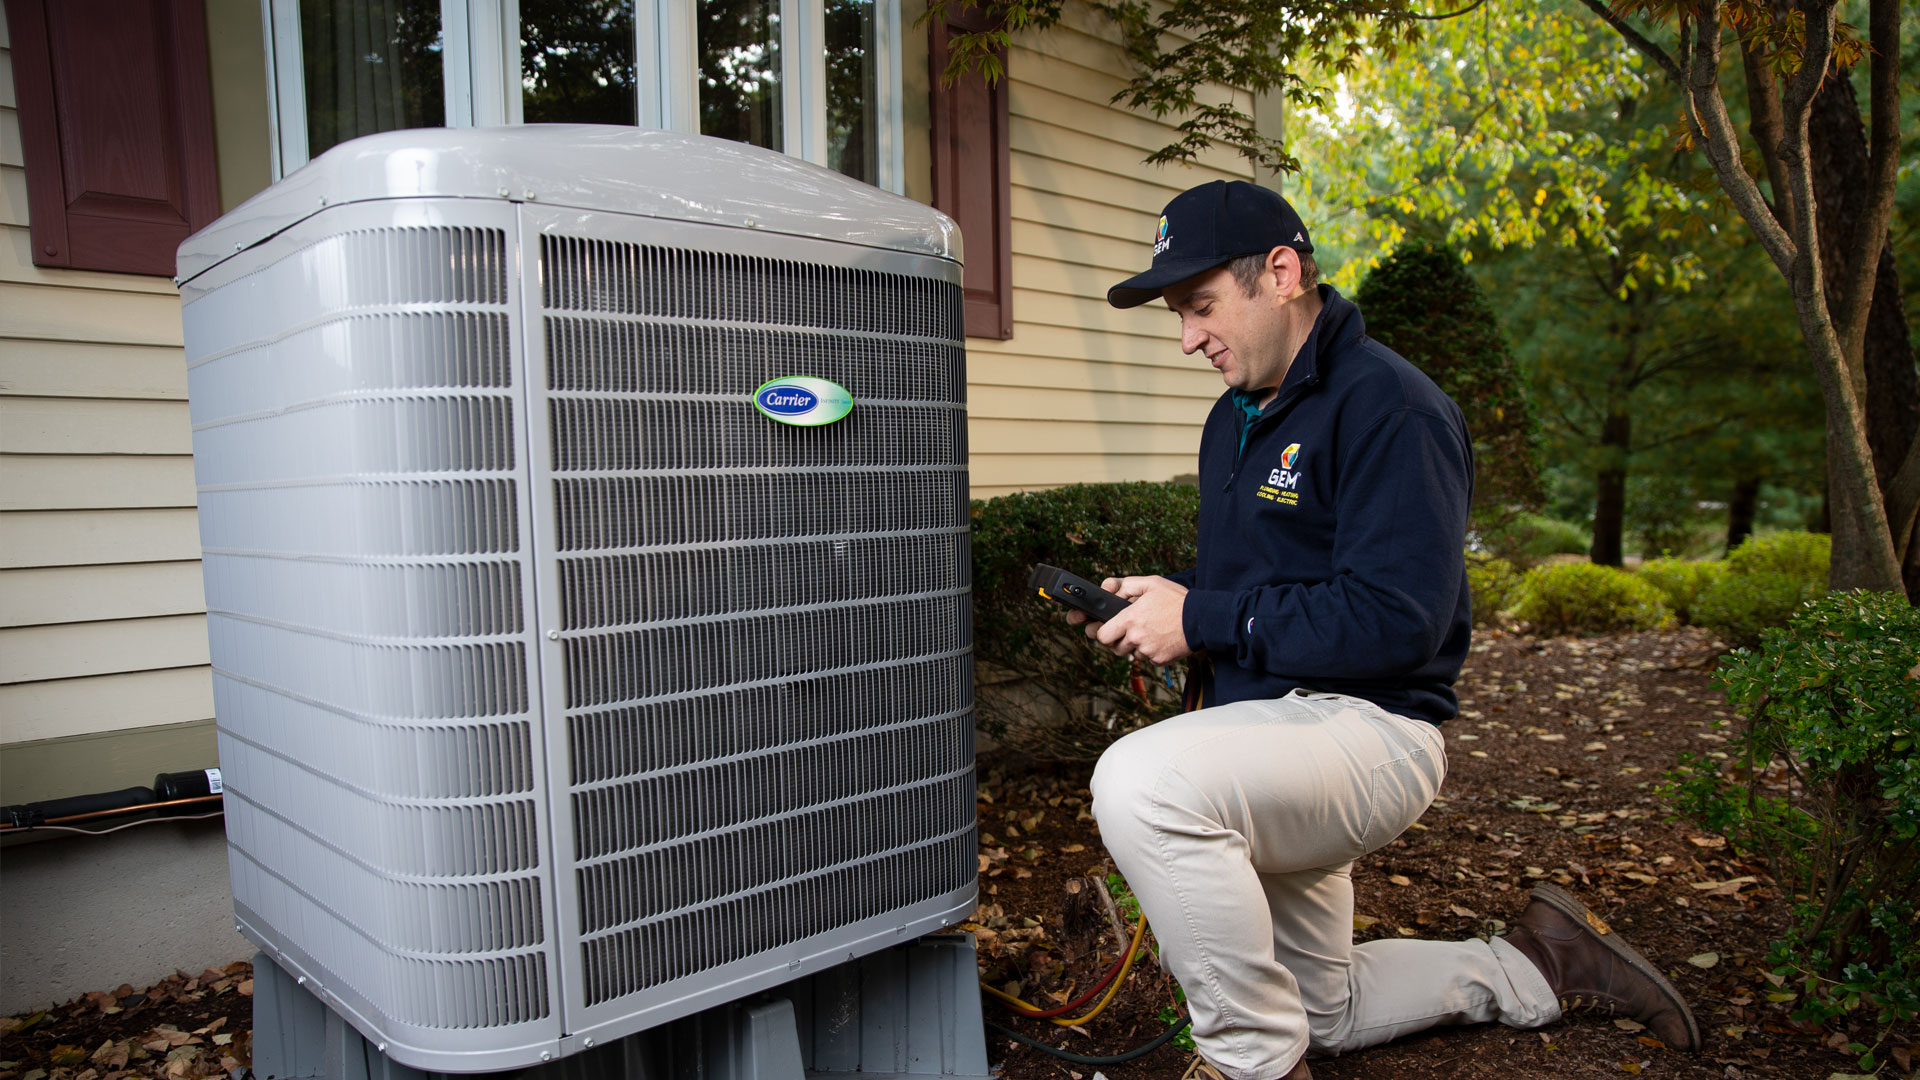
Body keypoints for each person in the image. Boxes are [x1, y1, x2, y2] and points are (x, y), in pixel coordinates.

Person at [1070, 180, 1701, 1080]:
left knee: (1141, 785)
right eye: (1178, 315)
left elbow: (1395, 620)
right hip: (1266, 738)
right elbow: (1269, 585)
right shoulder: (1234, 418)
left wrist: (1204, 615)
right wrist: (1176, 599)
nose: (1188, 338)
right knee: (1326, 1010)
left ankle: (1251, 1064)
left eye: (1202, 307)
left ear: (1280, 273)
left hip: (1370, 733)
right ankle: (1544, 961)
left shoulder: (1393, 409)